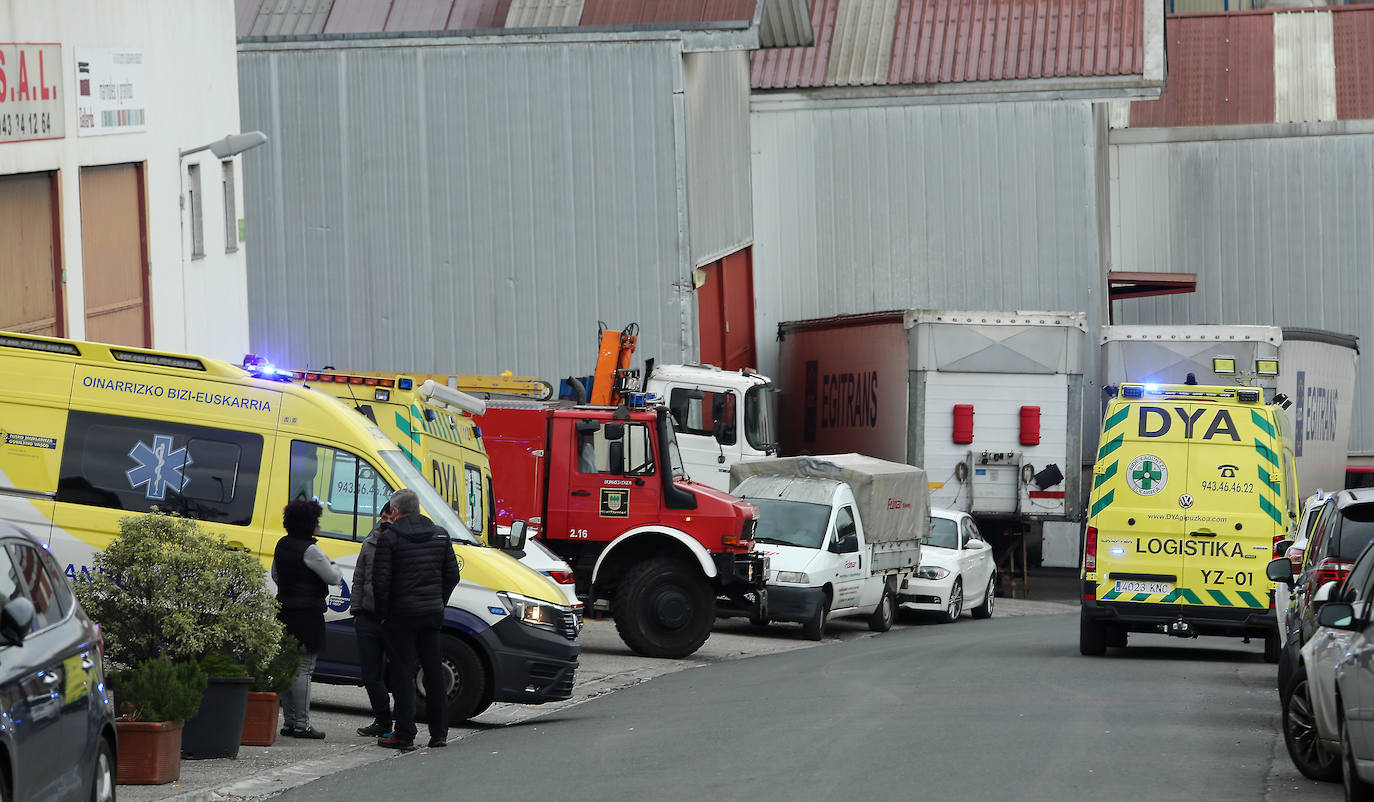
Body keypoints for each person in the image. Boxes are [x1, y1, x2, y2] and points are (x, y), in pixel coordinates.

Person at [372, 488, 460, 750]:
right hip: (431, 614)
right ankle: (439, 733)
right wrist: (438, 601)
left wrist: (384, 614)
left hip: (401, 616)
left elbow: (381, 581)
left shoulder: (391, 538)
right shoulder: (440, 535)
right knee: (433, 672)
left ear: (396, 511)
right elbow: (452, 575)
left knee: (402, 674)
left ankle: (405, 734)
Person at [272, 499, 342, 739]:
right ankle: (302, 724)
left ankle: (289, 721)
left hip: (284, 609)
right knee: (303, 669)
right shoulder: (311, 550)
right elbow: (333, 577)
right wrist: (333, 563)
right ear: (310, 524)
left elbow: (275, 574)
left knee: (287, 667)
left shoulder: (282, 544)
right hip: (308, 614)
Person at [351, 501, 396, 737]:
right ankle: (382, 719)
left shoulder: (401, 546)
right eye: (384, 517)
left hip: (392, 620)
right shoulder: (369, 544)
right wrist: (356, 611)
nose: (386, 521)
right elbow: (358, 578)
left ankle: (400, 724)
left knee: (398, 673)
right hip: (367, 617)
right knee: (370, 674)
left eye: (391, 517)